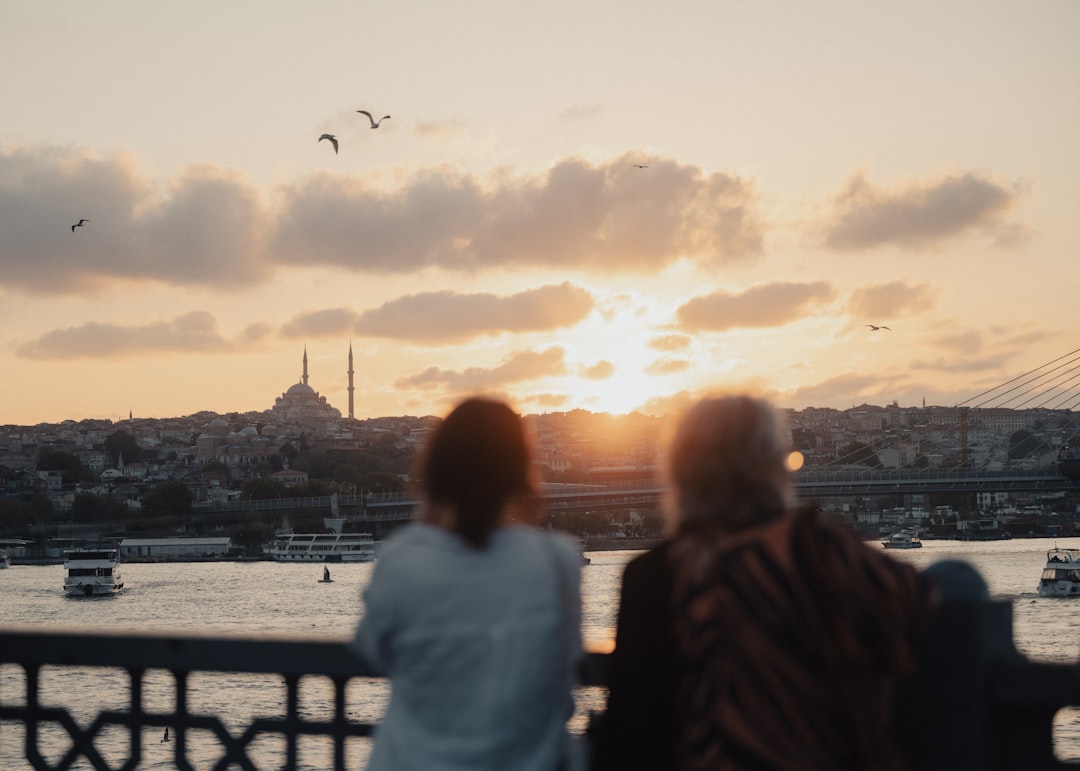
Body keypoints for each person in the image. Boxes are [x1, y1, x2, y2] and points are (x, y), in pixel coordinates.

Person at [592, 395, 937, 771]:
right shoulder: (816, 551)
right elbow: (925, 606)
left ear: (681, 472)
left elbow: (629, 726)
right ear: (771, 465)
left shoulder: (652, 573)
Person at [350, 397, 583, 770]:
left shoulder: (402, 561)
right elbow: (564, 659)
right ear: (519, 472)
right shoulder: (556, 563)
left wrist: (426, 519)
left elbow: (372, 648)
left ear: (436, 472)